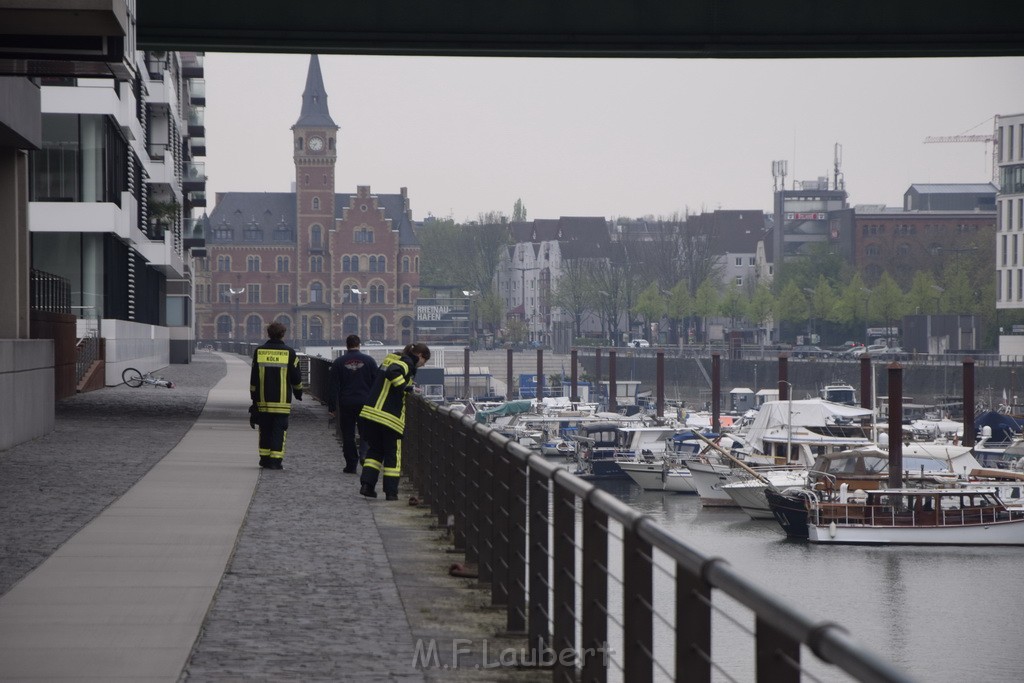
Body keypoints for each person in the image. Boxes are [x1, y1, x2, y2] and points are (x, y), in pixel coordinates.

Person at [358, 342, 430, 500]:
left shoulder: (389, 359)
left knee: (375, 451)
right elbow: (394, 373)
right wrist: (406, 388)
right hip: (389, 418)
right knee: (393, 455)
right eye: (424, 361)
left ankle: (367, 485)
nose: (423, 365)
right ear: (420, 356)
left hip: (371, 413)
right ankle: (391, 492)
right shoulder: (406, 362)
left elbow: (384, 376)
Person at [250, 321, 303, 470]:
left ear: (268, 333)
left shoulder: (259, 352)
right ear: (282, 334)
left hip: (263, 400)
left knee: (265, 429)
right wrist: (299, 392)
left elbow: (254, 378)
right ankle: (276, 460)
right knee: (279, 430)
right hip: (282, 401)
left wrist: (253, 398)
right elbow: (296, 378)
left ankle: (264, 458)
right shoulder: (290, 353)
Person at [327, 334, 378, 473]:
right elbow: (376, 384)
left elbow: (333, 386)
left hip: (346, 403)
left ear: (346, 345)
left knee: (348, 434)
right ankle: (364, 454)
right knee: (365, 432)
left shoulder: (338, 362)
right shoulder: (369, 361)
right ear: (359, 344)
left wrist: (332, 406)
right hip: (365, 402)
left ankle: (351, 464)